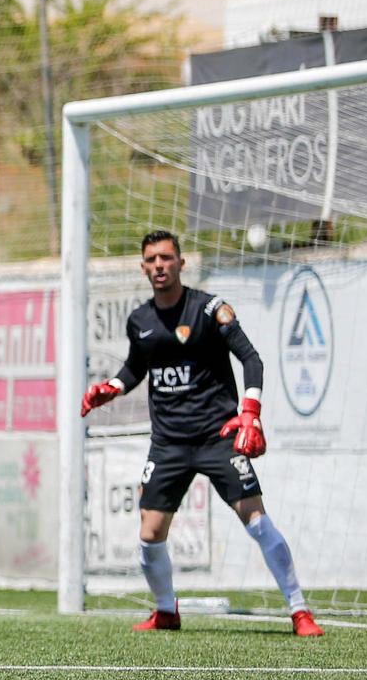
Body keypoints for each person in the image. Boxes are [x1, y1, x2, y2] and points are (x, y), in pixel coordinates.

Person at [81, 230, 322, 636]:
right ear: (143, 268)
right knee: (150, 533)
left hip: (218, 436)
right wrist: (113, 388)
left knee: (257, 521)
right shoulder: (139, 320)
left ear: (181, 263)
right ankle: (166, 611)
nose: (159, 265)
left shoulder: (210, 310)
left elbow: (251, 359)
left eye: (166, 258)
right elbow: (136, 367)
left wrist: (250, 412)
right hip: (169, 443)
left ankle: (299, 611)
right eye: (152, 260)